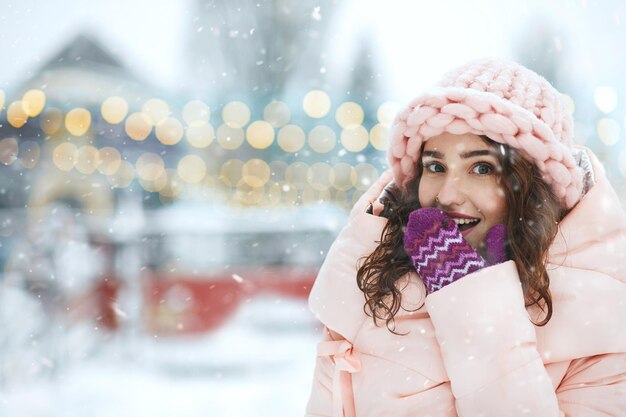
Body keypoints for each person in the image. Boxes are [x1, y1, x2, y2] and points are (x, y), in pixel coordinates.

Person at [304, 58, 626, 417]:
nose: (448, 194)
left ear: (535, 185)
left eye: (482, 168)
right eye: (436, 166)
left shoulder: (603, 316)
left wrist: (472, 300)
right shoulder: (379, 279)